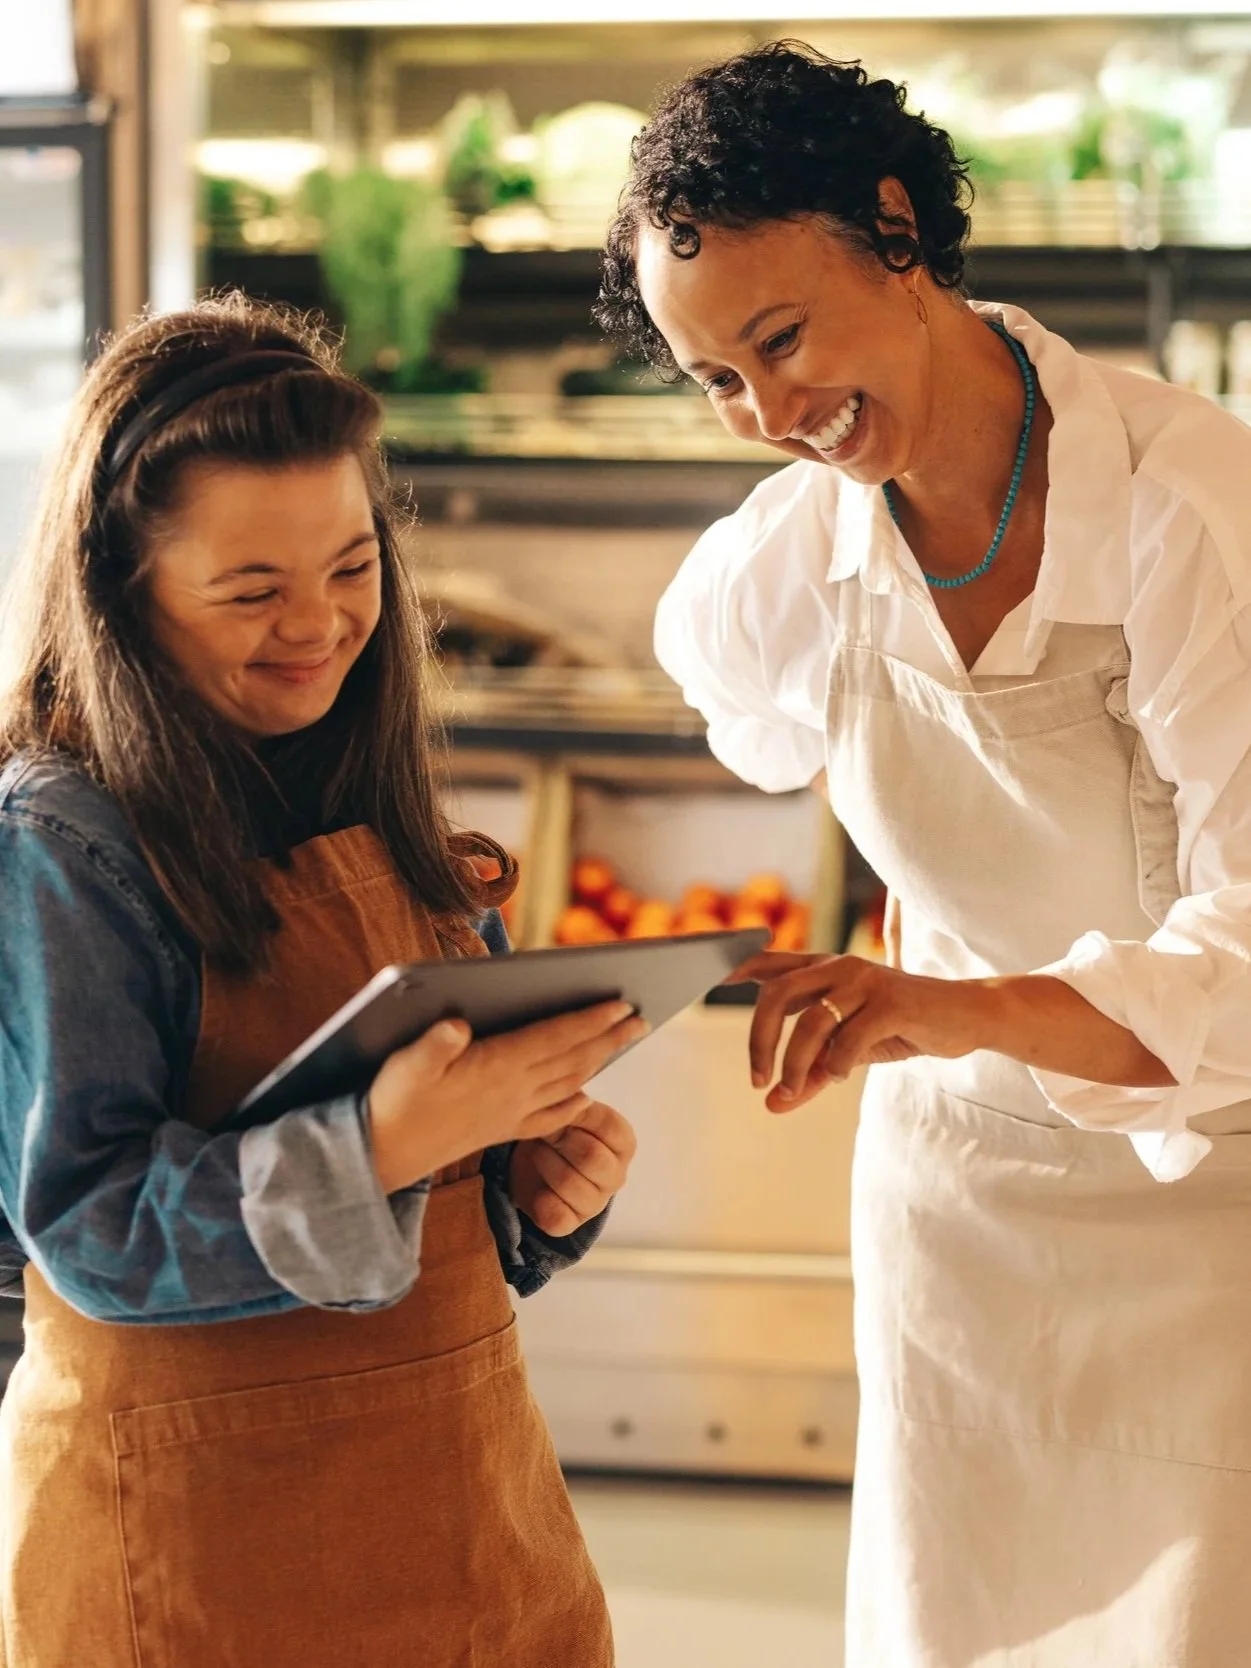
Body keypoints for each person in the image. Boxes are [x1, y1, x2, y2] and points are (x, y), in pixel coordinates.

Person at [596, 39, 1251, 1668]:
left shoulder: (1189, 512)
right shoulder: (792, 559)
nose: (767, 414)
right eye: (714, 380)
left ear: (897, 231)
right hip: (959, 1215)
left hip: (1211, 1220)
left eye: (781, 337)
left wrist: (937, 1004)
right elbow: (740, 712)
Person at [0, 292, 644, 1668]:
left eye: (353, 568)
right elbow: (93, 1226)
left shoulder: (368, 786)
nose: (321, 626)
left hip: (469, 1512)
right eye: (252, 591)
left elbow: (427, 1231)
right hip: (192, 1559)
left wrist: (523, 1188)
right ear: (119, 590)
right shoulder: (64, 840)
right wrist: (390, 1141)